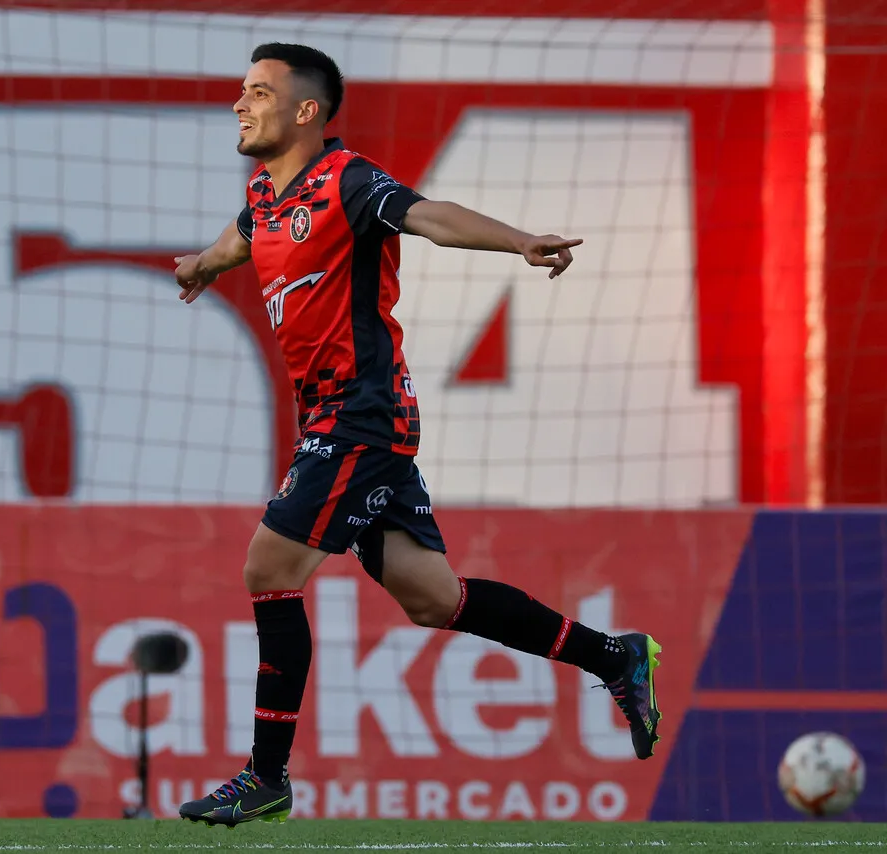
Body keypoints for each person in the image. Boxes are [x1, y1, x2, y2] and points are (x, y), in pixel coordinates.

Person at [173, 43, 661, 827]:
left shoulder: (349, 182)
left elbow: (429, 215)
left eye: (257, 91)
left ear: (307, 111)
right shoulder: (264, 195)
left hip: (360, 416)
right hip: (336, 419)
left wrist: (518, 241)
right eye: (241, 89)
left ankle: (265, 777)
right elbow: (241, 241)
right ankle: (614, 656)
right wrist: (203, 263)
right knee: (433, 598)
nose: (240, 102)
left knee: (269, 566)